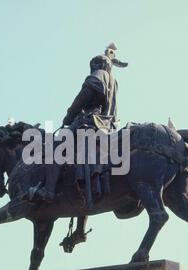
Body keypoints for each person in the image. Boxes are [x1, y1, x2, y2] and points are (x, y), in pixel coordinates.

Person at [30, 43, 128, 202]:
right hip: (107, 126)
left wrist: (68, 117)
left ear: (97, 64)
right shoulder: (114, 81)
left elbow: (82, 98)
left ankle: (49, 191)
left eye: (93, 64)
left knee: (55, 147)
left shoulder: (98, 74)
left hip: (90, 122)